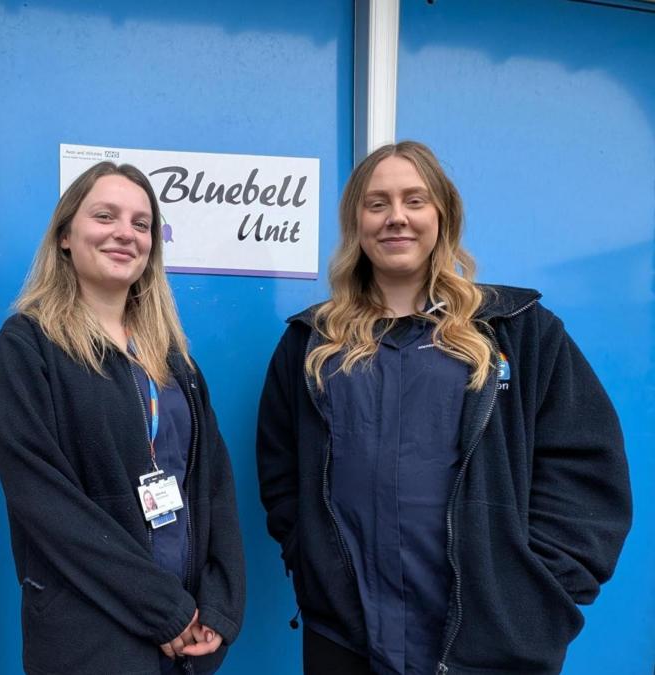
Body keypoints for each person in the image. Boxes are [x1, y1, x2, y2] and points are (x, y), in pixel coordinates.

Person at [256, 141, 631, 674]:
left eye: (415, 200)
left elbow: (587, 467)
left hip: (488, 643)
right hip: (346, 637)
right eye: (377, 203)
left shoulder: (519, 331)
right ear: (356, 222)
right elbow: (281, 473)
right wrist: (312, 561)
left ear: (443, 215)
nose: (397, 218)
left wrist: (536, 594)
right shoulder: (312, 343)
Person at [0, 161, 245, 674]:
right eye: (105, 216)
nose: (125, 233)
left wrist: (219, 605)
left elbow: (213, 483)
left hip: (186, 636)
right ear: (66, 235)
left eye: (141, 223)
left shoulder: (173, 358)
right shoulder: (30, 344)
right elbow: (45, 501)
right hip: (91, 635)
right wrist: (163, 610)